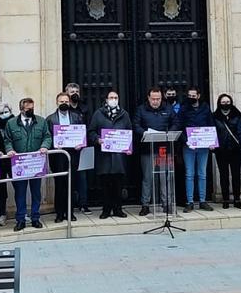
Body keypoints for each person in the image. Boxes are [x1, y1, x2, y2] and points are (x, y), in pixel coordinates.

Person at [4, 97, 52, 231]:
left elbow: (47, 136)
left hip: (36, 162)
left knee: (36, 192)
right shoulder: (11, 123)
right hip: (19, 164)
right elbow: (7, 140)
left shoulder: (41, 121)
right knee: (20, 192)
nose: (31, 110)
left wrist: (44, 146)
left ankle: (35, 217)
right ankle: (20, 219)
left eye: (32, 108)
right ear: (21, 109)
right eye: (27, 108)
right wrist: (10, 150)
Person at [88, 90, 131, 219]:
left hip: (119, 157)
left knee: (118, 184)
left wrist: (128, 146)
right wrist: (97, 139)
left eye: (116, 97)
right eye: (111, 97)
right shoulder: (98, 114)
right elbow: (91, 131)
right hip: (104, 156)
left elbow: (129, 132)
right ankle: (106, 209)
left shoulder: (124, 114)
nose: (113, 99)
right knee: (105, 185)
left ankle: (118, 209)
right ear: (106, 100)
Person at [132, 87, 175, 216]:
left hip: (164, 148)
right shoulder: (141, 109)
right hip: (147, 148)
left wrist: (169, 133)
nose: (156, 101)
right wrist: (144, 133)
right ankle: (145, 204)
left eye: (158, 99)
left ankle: (166, 203)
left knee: (165, 177)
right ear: (148, 98)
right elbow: (136, 125)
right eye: (153, 99)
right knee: (147, 177)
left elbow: (176, 122)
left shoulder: (168, 109)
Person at [47, 92, 86, 222]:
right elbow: (47, 137)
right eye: (61, 101)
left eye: (66, 101)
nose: (64, 104)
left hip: (72, 155)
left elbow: (82, 134)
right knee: (59, 185)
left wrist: (80, 144)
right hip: (58, 156)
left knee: (71, 184)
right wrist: (54, 145)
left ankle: (70, 212)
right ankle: (59, 213)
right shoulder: (50, 119)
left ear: (69, 102)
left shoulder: (77, 117)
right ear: (57, 103)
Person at [176, 87, 214, 212]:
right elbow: (179, 126)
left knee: (202, 174)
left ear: (198, 95)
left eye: (193, 95)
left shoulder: (205, 108)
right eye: (189, 95)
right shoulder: (183, 109)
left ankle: (202, 201)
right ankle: (190, 201)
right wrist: (185, 140)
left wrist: (212, 142)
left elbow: (211, 125)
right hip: (189, 146)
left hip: (203, 146)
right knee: (189, 174)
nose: (191, 97)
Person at [213, 93, 241, 209]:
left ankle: (237, 198)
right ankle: (225, 199)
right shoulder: (214, 116)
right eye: (223, 102)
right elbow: (212, 131)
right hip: (221, 150)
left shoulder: (237, 115)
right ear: (219, 103)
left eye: (227, 102)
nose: (225, 104)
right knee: (223, 175)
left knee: (236, 175)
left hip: (234, 149)